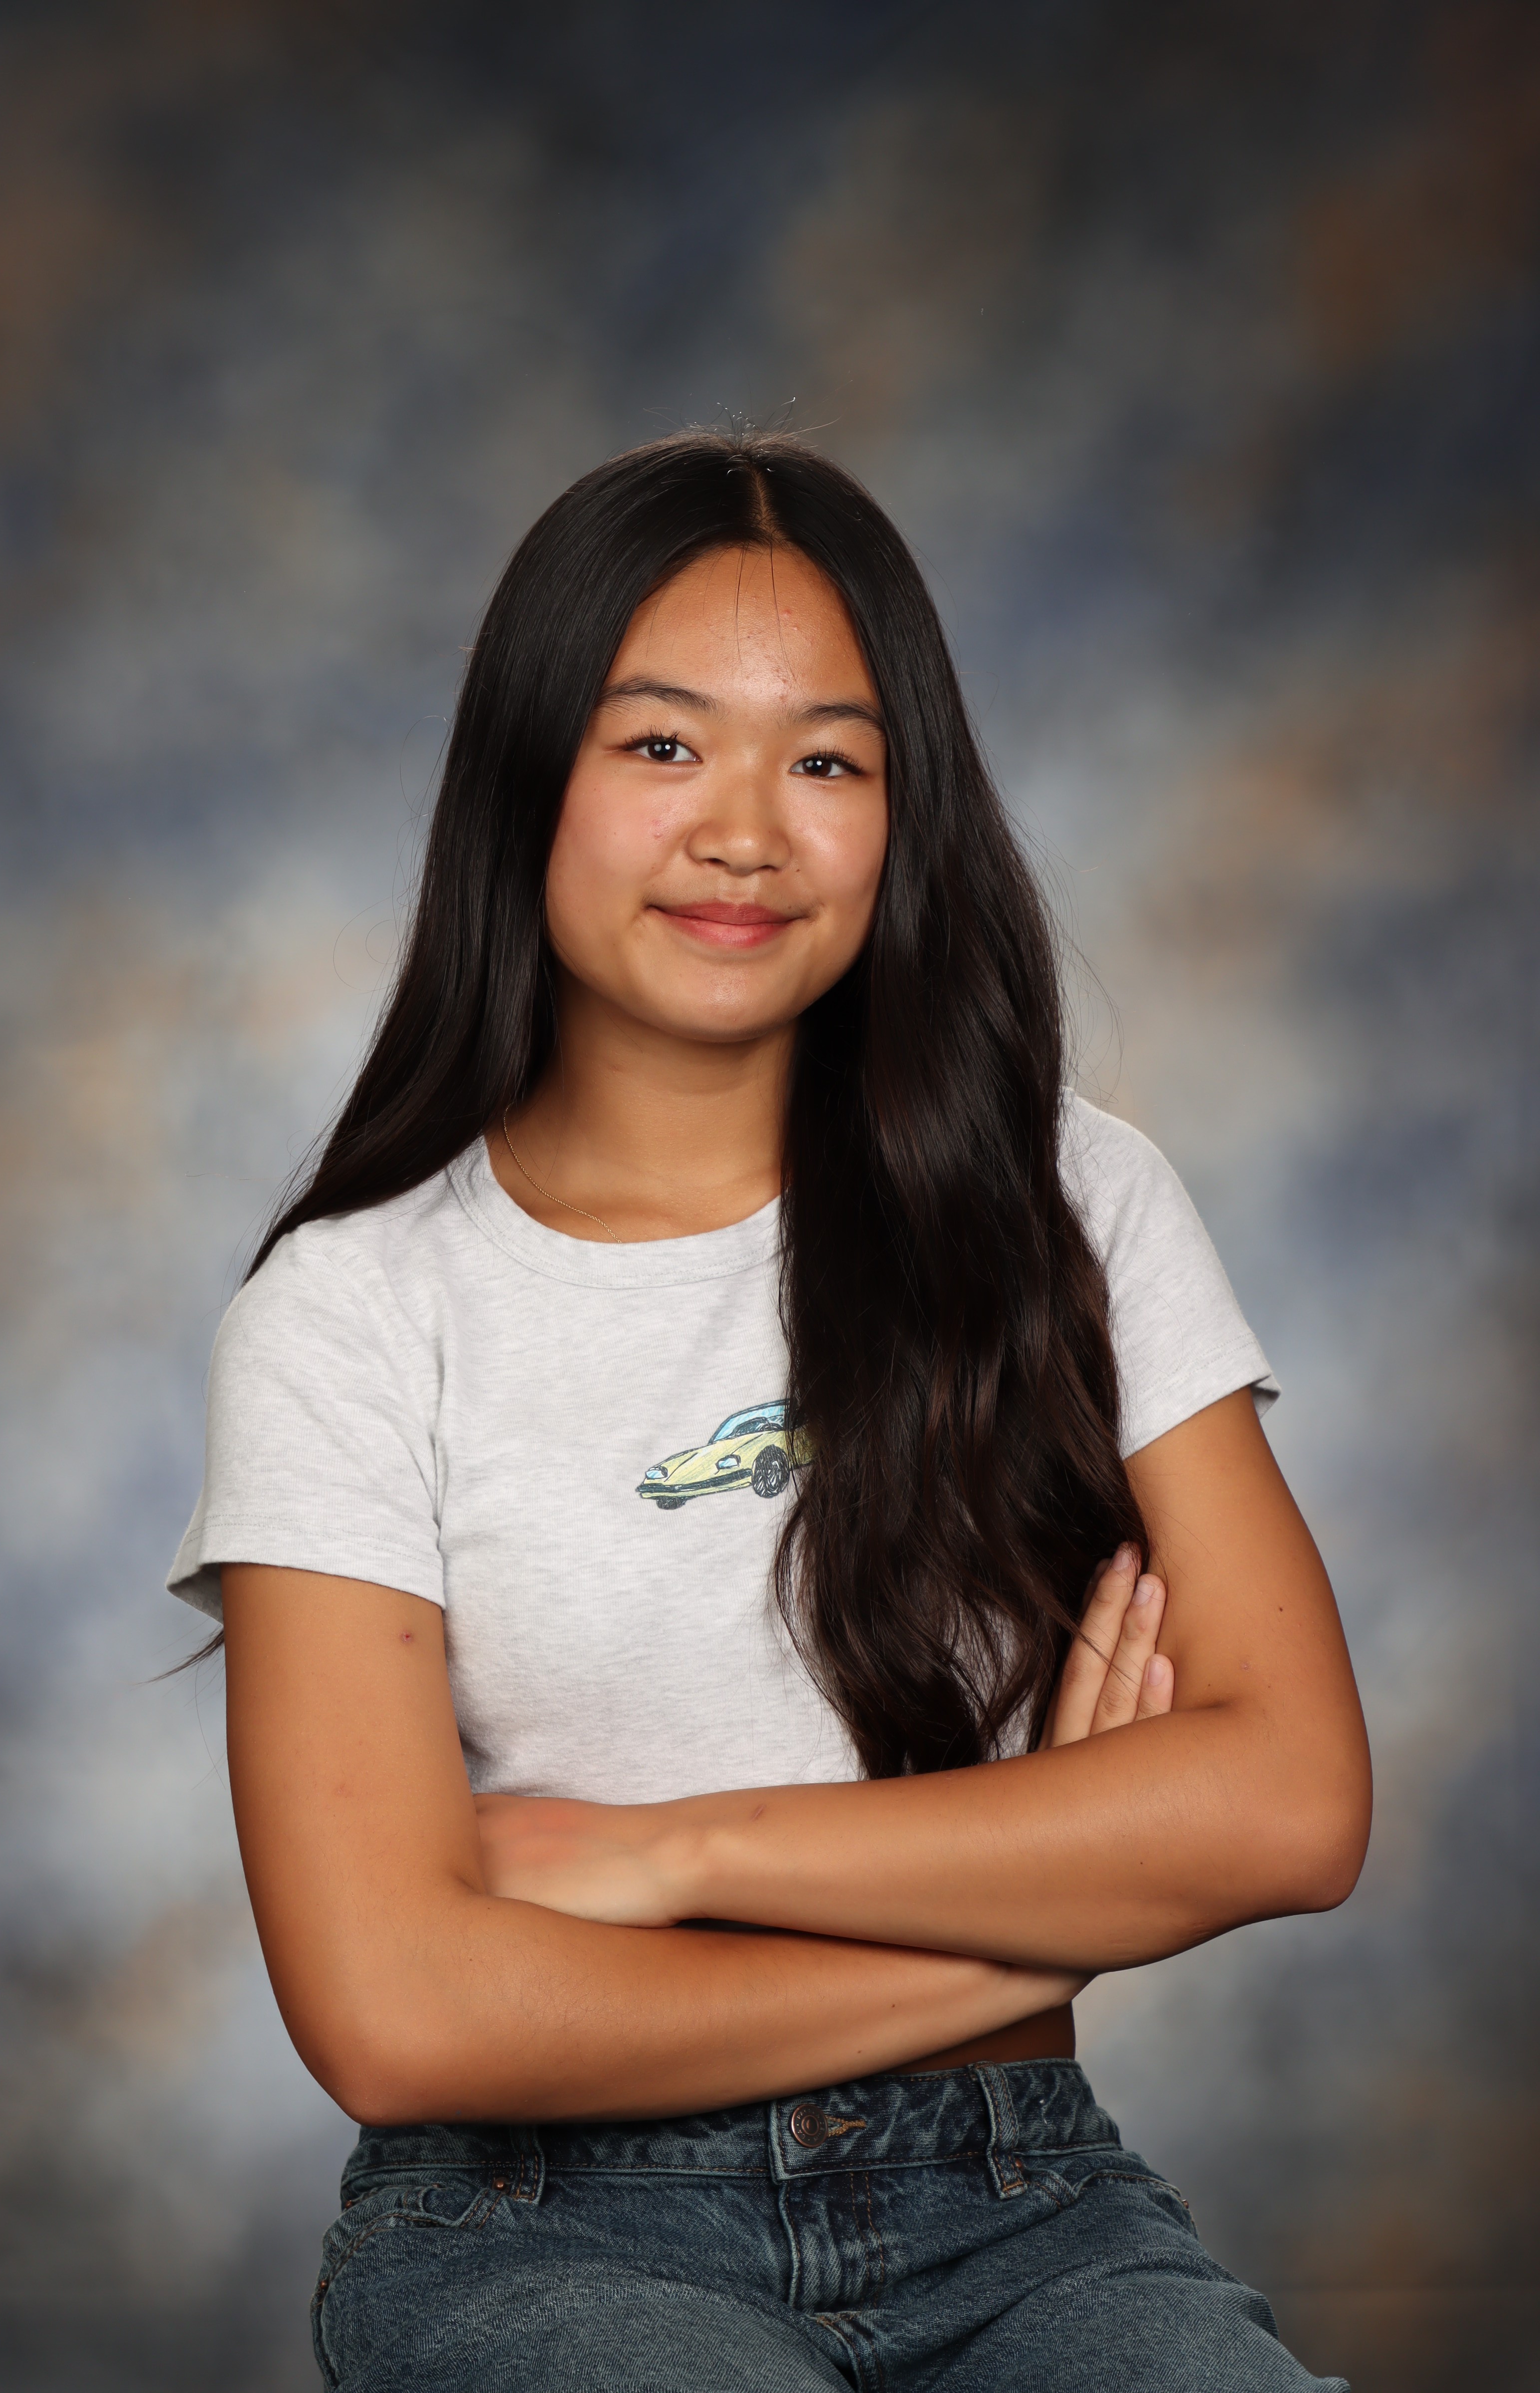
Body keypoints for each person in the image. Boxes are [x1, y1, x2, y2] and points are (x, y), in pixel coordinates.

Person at [170, 430, 1371, 2392]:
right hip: (539, 2227)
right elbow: (399, 2014)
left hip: (1023, 2201)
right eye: (661, 745)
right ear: (526, 780)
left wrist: (677, 1859)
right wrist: (1044, 1917)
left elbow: (1291, 1805)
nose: (745, 833)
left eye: (827, 762)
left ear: (905, 817)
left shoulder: (1075, 1203)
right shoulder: (350, 1312)